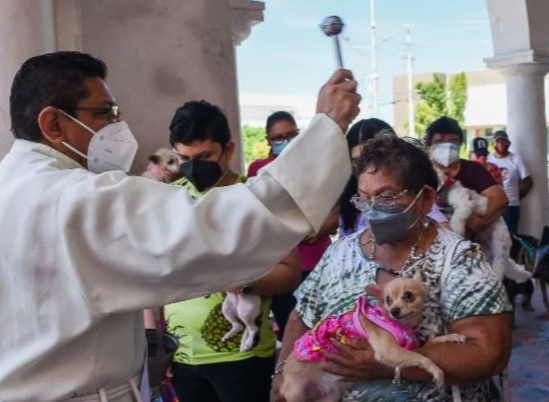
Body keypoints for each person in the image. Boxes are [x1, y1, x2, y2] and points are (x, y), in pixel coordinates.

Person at [0, 52, 360, 401]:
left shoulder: (8, 189)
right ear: (53, 124)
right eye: (105, 113)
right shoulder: (72, 199)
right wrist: (326, 129)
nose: (117, 126)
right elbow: (216, 230)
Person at [273, 134, 513, 402]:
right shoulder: (340, 253)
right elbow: (302, 317)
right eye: (364, 199)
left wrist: (392, 363)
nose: (373, 210)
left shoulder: (459, 260)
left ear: (426, 199)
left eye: (386, 197)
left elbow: (489, 353)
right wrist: (281, 376)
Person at [160, 101, 302, 402]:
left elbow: (290, 272)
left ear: (229, 148)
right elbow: (153, 272)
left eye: (205, 156)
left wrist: (240, 282)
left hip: (243, 358)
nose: (193, 166)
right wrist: (156, 341)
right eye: (184, 157)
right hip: (184, 355)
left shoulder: (257, 198)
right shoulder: (169, 200)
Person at [247, 111, 339, 337]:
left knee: (324, 331)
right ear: (268, 140)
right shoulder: (258, 171)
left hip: (318, 261)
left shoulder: (316, 165)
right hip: (281, 265)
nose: (285, 141)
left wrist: (319, 227)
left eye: (291, 135)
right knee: (291, 331)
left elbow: (338, 211)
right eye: (278, 138)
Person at [338, 119, 449, 237]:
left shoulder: (412, 200)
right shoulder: (349, 201)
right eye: (356, 161)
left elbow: (444, 234)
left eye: (386, 197)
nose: (364, 168)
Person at [426, 117, 509, 236]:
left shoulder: (473, 169)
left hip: (470, 246)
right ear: (429, 146)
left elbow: (500, 198)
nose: (447, 146)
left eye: (453, 140)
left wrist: (479, 222)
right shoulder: (422, 171)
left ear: (460, 144)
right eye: (439, 141)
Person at [487, 130, 533, 235]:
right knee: (492, 236)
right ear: (493, 144)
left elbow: (528, 182)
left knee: (511, 236)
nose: (501, 145)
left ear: (508, 143)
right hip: (492, 205)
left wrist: (516, 196)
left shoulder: (516, 159)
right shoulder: (488, 159)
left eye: (504, 141)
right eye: (498, 142)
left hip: (511, 206)